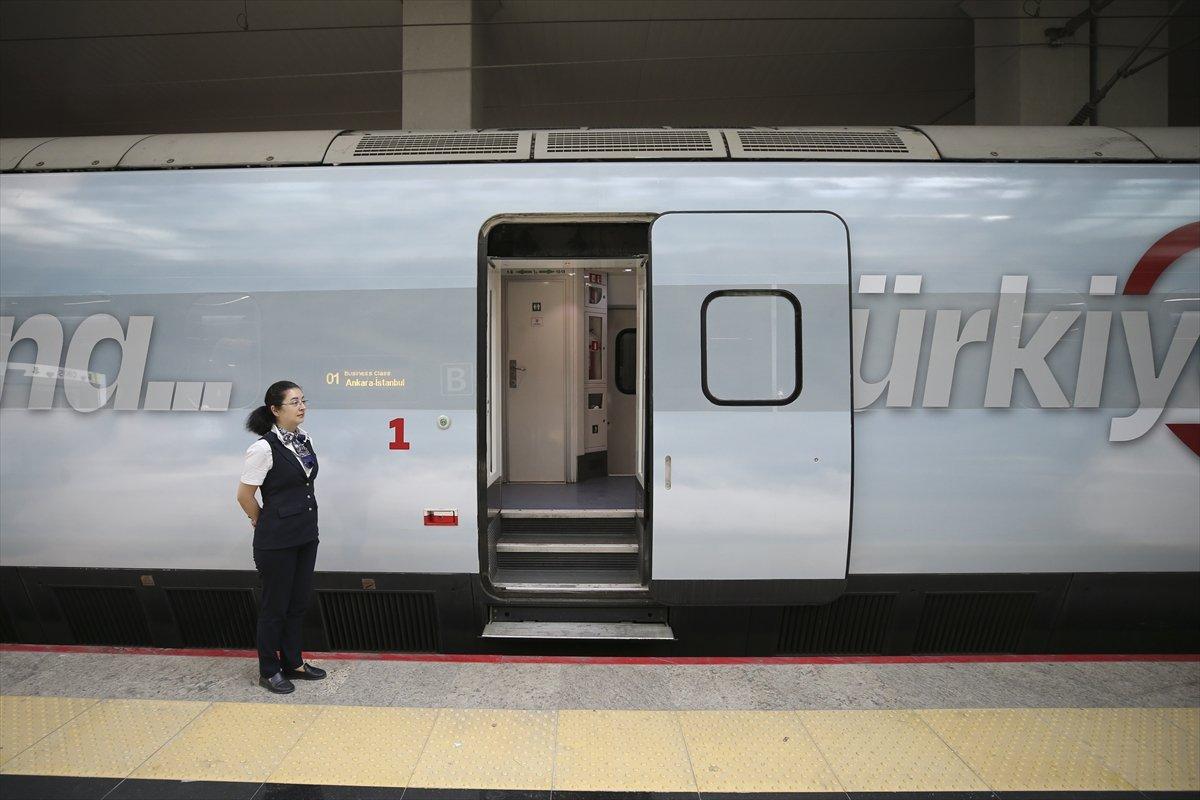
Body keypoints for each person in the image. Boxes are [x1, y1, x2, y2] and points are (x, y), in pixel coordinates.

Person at [236, 380, 327, 694]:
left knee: (298, 602)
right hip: (276, 541)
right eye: (294, 402)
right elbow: (244, 495)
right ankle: (269, 669)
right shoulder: (262, 448)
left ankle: (294, 662)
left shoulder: (304, 440)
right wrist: (262, 520)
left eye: (303, 400)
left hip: (305, 534)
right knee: (274, 606)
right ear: (275, 410)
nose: (302, 407)